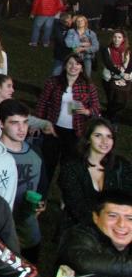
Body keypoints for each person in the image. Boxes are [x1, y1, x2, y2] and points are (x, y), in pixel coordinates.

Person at [56, 189, 132, 277]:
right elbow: (83, 261)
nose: (122, 224)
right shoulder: (81, 236)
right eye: (112, 216)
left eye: (130, 218)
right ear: (96, 217)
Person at [35, 53, 102, 187]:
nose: (73, 66)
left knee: (69, 166)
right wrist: (37, 123)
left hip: (75, 132)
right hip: (53, 129)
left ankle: (65, 196)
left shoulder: (88, 86)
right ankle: (42, 193)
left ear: (82, 68)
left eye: (77, 64)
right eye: (70, 63)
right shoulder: (53, 82)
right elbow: (42, 102)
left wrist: (87, 111)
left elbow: (96, 108)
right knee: (48, 163)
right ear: (65, 66)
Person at [0, 99, 48, 264]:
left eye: (25, 122)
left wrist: (41, 203)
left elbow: (41, 186)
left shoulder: (35, 153)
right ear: (1, 123)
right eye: (15, 123)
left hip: (28, 232)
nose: (22, 128)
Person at [58, 117, 132, 229]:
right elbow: (77, 208)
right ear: (88, 139)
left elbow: (128, 199)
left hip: (116, 228)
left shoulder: (121, 165)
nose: (105, 141)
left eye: (109, 136)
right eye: (98, 136)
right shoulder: (71, 168)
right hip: (80, 230)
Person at [99, 28, 132, 119]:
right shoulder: (106, 49)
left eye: (119, 37)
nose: (116, 39)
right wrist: (121, 74)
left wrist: (125, 75)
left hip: (124, 78)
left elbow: (130, 64)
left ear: (123, 39)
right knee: (111, 100)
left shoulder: (128, 50)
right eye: (115, 37)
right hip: (109, 78)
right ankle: (110, 119)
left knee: (122, 103)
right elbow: (109, 64)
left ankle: (107, 114)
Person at [65, 14, 100, 79]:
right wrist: (83, 44)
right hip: (75, 57)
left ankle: (86, 87)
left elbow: (96, 47)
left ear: (85, 22)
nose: (80, 22)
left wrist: (83, 49)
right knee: (73, 76)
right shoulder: (71, 32)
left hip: (87, 58)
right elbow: (68, 43)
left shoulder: (91, 33)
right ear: (76, 23)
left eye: (82, 21)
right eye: (78, 21)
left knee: (87, 77)